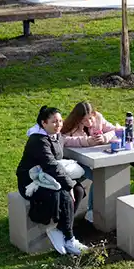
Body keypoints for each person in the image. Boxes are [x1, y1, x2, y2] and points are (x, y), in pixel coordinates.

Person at [16, 106, 89, 255]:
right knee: (65, 195)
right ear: (43, 123)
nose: (59, 124)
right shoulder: (38, 140)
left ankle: (61, 228)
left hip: (48, 178)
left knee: (79, 190)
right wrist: (68, 184)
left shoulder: (56, 136)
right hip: (31, 182)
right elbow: (51, 165)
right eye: (54, 122)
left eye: (60, 121)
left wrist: (91, 141)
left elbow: (69, 142)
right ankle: (69, 238)